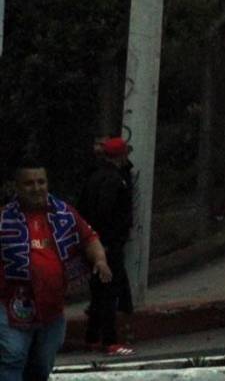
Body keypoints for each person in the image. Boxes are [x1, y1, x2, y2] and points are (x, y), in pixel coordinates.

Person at [0, 160, 112, 381]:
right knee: (13, 357)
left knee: (42, 364)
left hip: (52, 307)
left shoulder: (65, 213)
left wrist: (100, 260)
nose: (36, 188)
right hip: (11, 304)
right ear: (18, 187)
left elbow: (89, 239)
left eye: (41, 182)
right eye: (29, 183)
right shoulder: (3, 218)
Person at [77, 137, 133, 355]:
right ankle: (109, 341)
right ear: (121, 155)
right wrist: (106, 242)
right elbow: (106, 212)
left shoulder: (95, 176)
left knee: (99, 292)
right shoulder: (113, 180)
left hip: (95, 242)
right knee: (110, 291)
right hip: (107, 244)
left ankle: (92, 337)